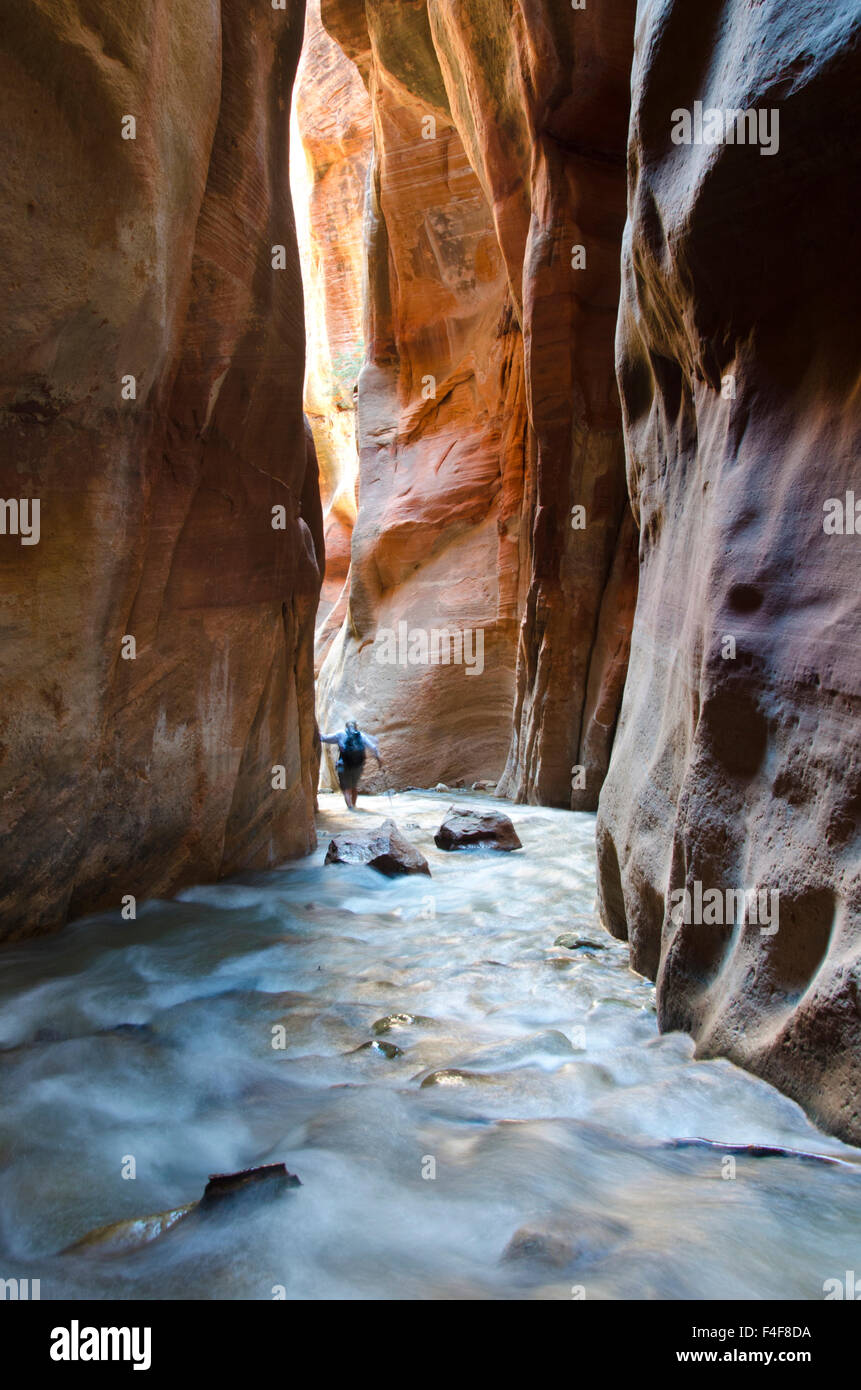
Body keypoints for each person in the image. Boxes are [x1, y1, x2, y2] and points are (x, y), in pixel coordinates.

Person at [320, 720, 382, 809]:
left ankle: (350, 808)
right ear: (356, 727)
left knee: (346, 788)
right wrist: (379, 760)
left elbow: (324, 738)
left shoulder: (340, 734)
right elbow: (373, 747)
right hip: (358, 766)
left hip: (343, 765)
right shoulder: (361, 735)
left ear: (346, 727)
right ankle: (354, 806)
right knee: (353, 786)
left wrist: (318, 733)